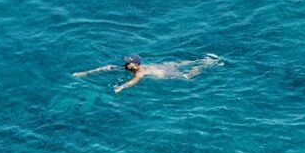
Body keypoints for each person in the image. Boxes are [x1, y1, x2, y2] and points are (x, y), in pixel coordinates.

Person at [73, 53, 221, 93]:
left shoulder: (140, 71)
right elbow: (110, 67)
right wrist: (85, 72)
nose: (125, 63)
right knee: (178, 63)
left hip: (164, 72)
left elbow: (134, 80)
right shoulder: (129, 67)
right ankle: (201, 59)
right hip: (164, 65)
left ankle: (206, 63)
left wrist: (121, 87)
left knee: (186, 76)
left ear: (136, 64)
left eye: (128, 62)